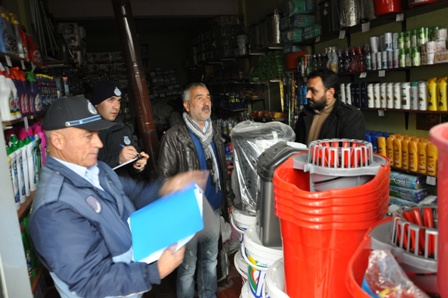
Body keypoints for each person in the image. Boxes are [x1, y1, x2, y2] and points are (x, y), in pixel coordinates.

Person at [29, 95, 210, 298]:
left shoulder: (97, 169)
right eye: (88, 136)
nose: (98, 143)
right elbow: (90, 280)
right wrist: (154, 271)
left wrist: (166, 188)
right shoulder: (54, 209)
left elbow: (133, 193)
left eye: (97, 133)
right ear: (58, 141)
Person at [157, 82, 234, 298]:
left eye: (208, 97)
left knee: (210, 261)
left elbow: (221, 169)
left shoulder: (214, 131)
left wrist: (229, 200)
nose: (206, 102)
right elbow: (162, 180)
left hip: (213, 207)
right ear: (187, 105)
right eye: (199, 98)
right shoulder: (174, 137)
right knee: (187, 267)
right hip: (188, 212)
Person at [88, 80, 150, 178]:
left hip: (124, 191)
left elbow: (131, 172)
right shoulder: (85, 133)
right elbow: (84, 172)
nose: (116, 106)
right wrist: (118, 160)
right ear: (96, 104)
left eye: (118, 100)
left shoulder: (124, 129)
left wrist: (137, 165)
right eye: (111, 100)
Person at [294, 68, 366, 146]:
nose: (307, 95)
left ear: (330, 93)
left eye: (313, 91)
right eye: (308, 90)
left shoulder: (351, 116)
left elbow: (351, 154)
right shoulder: (305, 113)